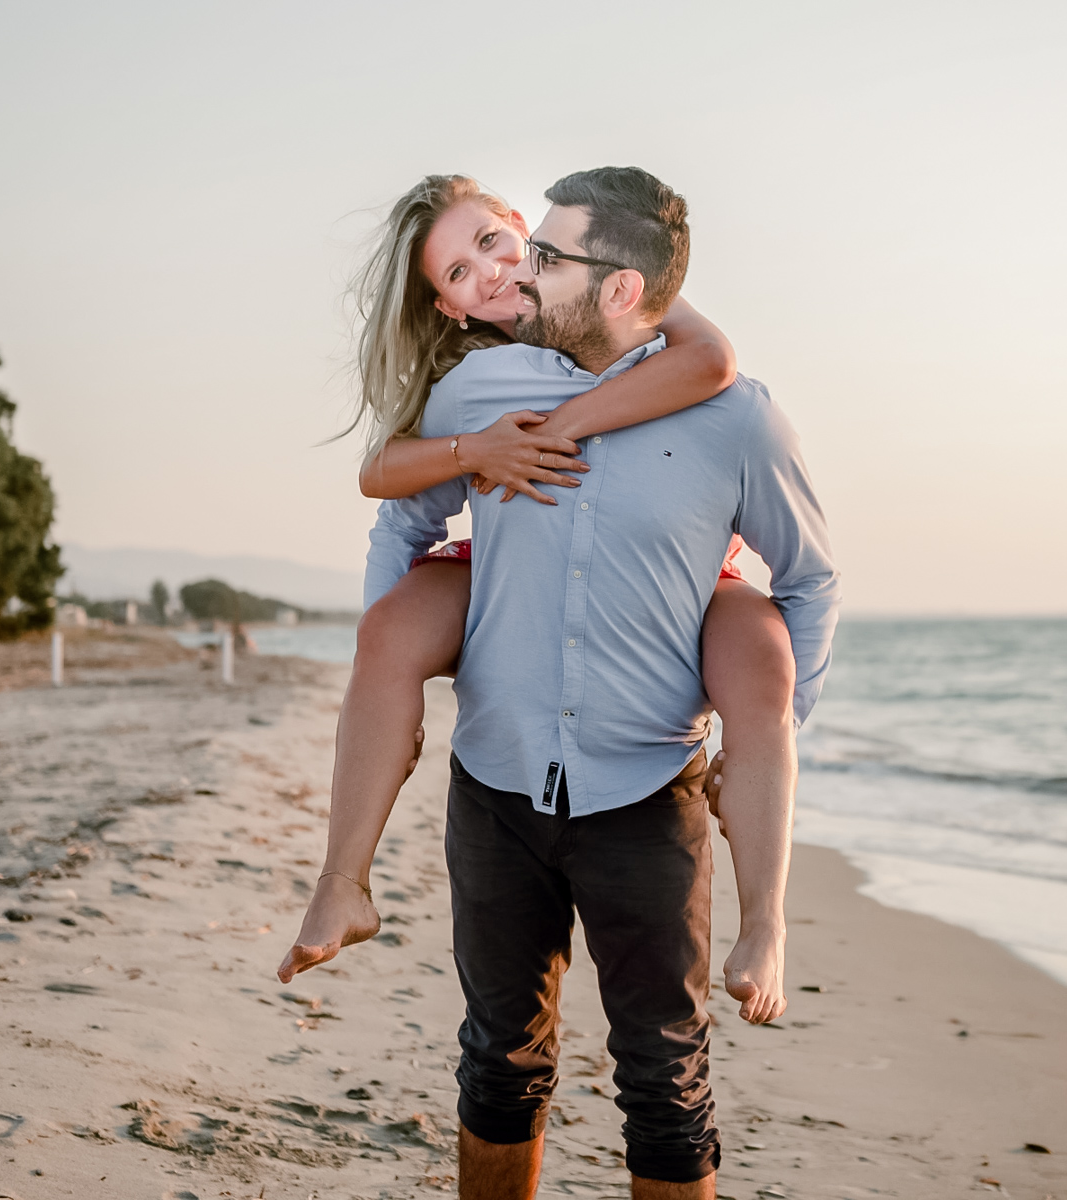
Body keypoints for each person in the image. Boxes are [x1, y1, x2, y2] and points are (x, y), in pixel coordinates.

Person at [331, 168, 838, 1197]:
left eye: (529, 251)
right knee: (496, 1061)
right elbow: (394, 501)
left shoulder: (734, 413)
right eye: (465, 270)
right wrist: (390, 666)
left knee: (666, 1079)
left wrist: (774, 734)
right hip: (499, 778)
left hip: (644, 788)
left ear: (611, 285)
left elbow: (809, 579)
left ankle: (767, 927)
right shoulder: (478, 393)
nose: (511, 270)